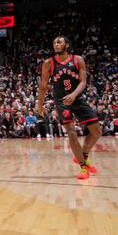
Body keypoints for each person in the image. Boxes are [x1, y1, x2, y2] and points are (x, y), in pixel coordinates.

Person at [37, 36, 102, 180]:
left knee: (97, 131)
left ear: (67, 44)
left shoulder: (78, 60)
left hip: (77, 98)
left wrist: (73, 95)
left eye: (59, 42)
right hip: (61, 101)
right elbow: (43, 86)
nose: (56, 44)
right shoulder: (48, 63)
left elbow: (83, 82)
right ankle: (84, 167)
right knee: (71, 132)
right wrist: (39, 105)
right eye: (54, 42)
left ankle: (83, 155)